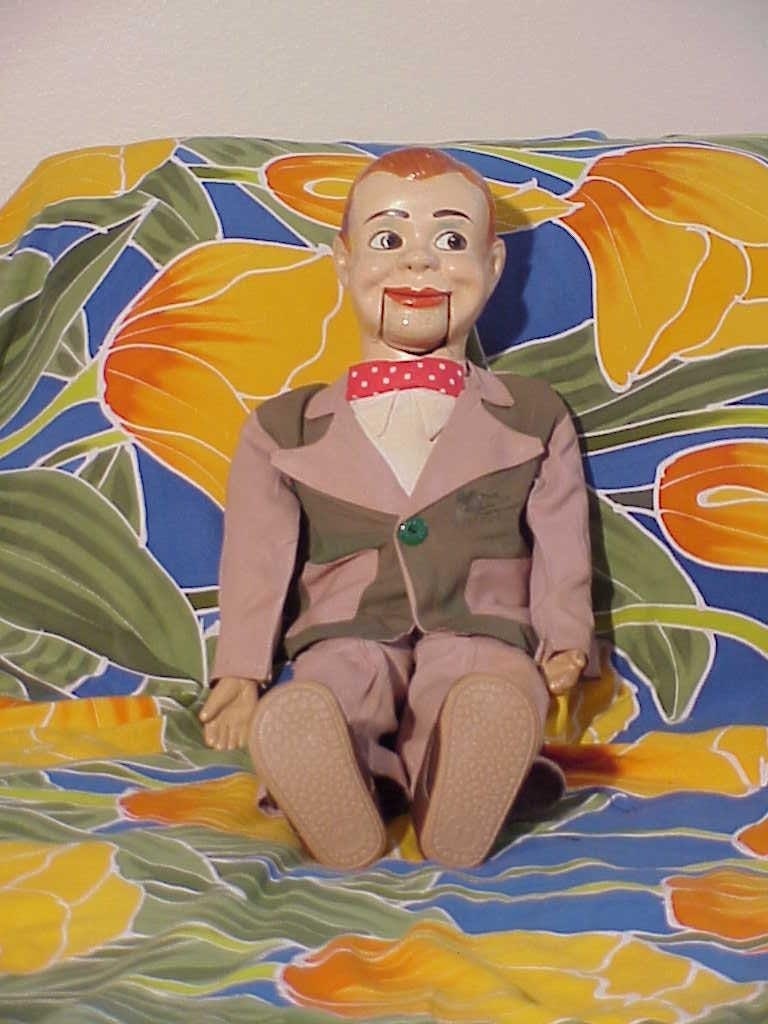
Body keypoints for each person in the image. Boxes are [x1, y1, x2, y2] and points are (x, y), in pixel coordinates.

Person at [199, 147, 593, 870]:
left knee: (490, 688)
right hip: (344, 628)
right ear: (343, 261)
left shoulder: (534, 414)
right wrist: (240, 672)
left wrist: (566, 638)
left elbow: (562, 539)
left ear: (493, 266)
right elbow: (255, 558)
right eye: (387, 239)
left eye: (451, 240)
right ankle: (340, 780)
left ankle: (460, 779)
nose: (419, 262)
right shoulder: (284, 427)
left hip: (483, 626)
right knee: (330, 689)